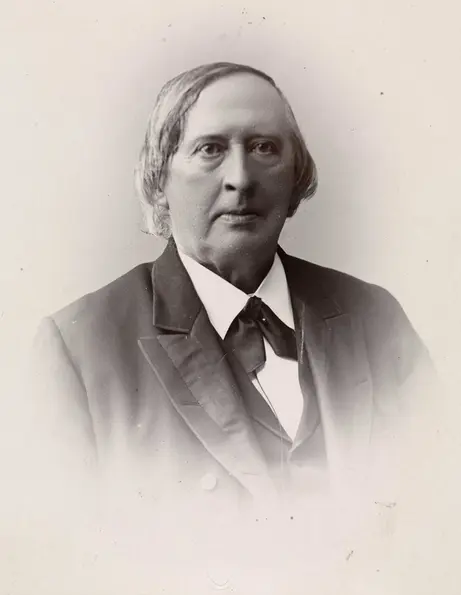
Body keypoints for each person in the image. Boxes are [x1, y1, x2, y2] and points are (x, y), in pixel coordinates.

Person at [30, 62, 435, 521]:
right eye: (210, 149)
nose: (241, 178)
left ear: (295, 175)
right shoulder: (79, 349)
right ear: (160, 180)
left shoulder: (375, 317)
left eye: (264, 147)